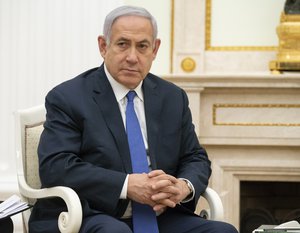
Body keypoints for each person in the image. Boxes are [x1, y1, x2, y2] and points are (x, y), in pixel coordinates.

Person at [29, 5, 238, 233]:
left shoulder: (172, 97)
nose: (132, 57)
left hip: (161, 216)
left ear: (155, 49)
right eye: (122, 44)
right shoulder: (68, 97)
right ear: (103, 46)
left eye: (142, 46)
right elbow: (56, 166)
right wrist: (127, 185)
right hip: (91, 214)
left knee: (223, 230)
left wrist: (183, 186)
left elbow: (195, 157)